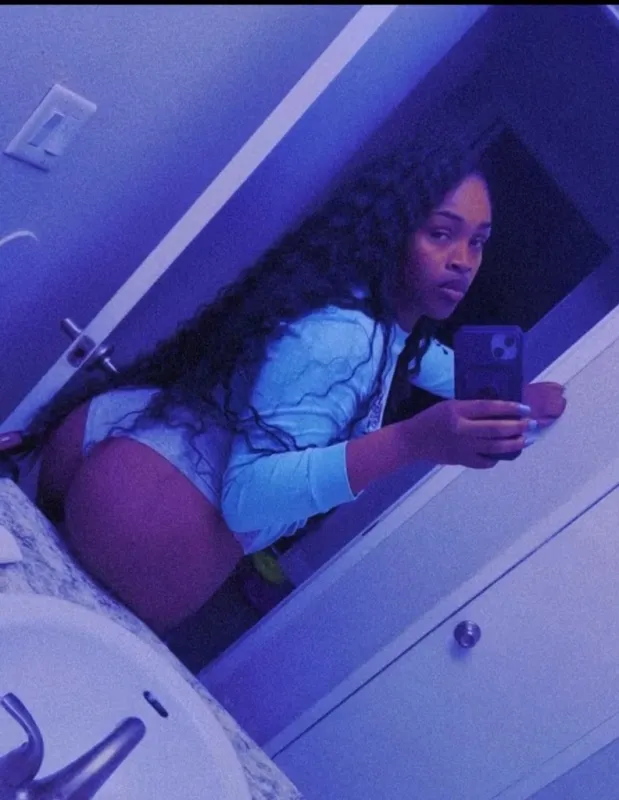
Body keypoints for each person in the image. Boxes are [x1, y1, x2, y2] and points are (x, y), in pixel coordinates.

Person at [20, 140, 566, 635]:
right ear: (394, 232)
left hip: (114, 448)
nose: (463, 261)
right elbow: (246, 499)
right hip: (142, 516)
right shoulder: (343, 336)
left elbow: (425, 362)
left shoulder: (380, 322)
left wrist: (520, 397)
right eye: (441, 233)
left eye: (478, 242)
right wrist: (411, 441)